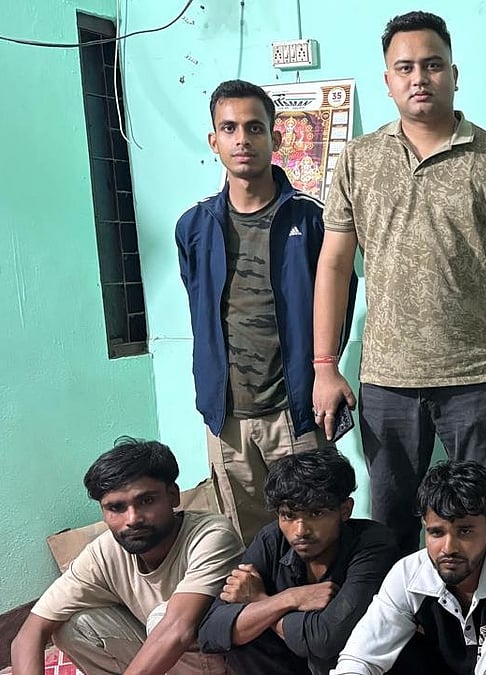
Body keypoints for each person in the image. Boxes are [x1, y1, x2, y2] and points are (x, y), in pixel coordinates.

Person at [312, 10, 486, 553]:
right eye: (406, 67)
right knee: (390, 524)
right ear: (388, 80)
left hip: (479, 379)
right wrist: (325, 366)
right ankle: (405, 610)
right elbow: (334, 266)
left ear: (453, 74)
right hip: (387, 381)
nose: (420, 78)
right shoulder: (359, 159)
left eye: (433, 65)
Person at [176, 79, 357, 545]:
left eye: (254, 128)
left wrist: (323, 371)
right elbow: (201, 309)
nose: (242, 139)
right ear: (213, 141)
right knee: (250, 543)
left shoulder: (312, 219)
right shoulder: (194, 226)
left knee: (315, 536)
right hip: (227, 418)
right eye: (229, 128)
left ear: (275, 138)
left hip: (296, 411)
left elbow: (342, 297)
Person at [11, 438, 244, 675]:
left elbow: (177, 629)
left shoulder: (212, 535)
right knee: (73, 626)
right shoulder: (104, 551)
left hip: (225, 663)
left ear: (173, 495)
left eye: (146, 501)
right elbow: (30, 632)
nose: (132, 519)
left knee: (162, 619)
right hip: (167, 660)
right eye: (116, 508)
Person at [197, 448, 399, 674]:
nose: (300, 531)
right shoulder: (272, 539)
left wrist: (259, 600)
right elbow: (210, 632)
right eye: (289, 516)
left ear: (345, 510)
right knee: (243, 636)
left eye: (316, 514)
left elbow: (325, 641)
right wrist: (288, 599)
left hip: (354, 668)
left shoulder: (373, 544)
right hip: (289, 665)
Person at [334, 460, 486, 674]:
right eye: (437, 533)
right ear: (425, 528)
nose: (449, 548)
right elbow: (359, 658)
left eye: (465, 531)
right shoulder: (409, 574)